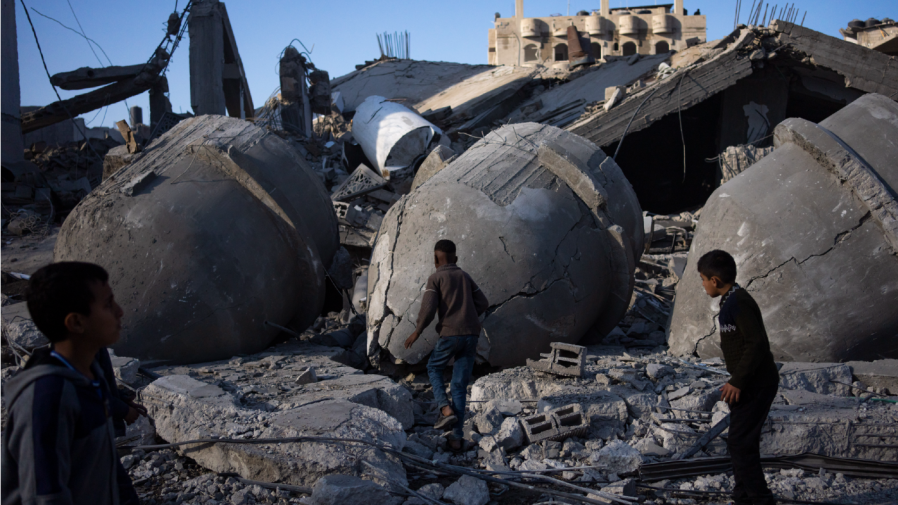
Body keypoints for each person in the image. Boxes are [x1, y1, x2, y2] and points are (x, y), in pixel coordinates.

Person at [0, 262, 140, 505]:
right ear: (76, 323)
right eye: (108, 304)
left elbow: (106, 465)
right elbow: (44, 497)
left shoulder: (88, 373)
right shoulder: (47, 397)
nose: (120, 311)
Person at [697, 250, 780, 505]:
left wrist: (737, 381)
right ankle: (744, 495)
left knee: (740, 442)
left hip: (757, 383)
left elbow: (757, 344)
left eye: (702, 279)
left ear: (714, 280)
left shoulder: (738, 303)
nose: (702, 285)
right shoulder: (731, 300)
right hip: (750, 382)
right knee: (741, 442)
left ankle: (759, 498)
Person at [405, 240, 488, 450]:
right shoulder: (465, 276)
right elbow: (483, 303)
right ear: (456, 258)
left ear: (435, 259)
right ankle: (456, 438)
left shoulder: (435, 278)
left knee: (433, 367)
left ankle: (445, 409)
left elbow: (428, 310)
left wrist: (417, 331)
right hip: (471, 335)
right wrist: (467, 317)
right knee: (459, 386)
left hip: (449, 335)